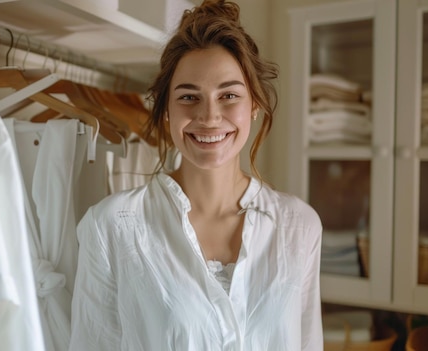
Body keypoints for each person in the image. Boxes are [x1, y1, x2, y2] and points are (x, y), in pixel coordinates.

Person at [69, 0, 324, 350]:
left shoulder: (299, 226)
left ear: (254, 105)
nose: (209, 116)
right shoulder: (111, 227)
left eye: (229, 95)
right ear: (166, 112)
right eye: (189, 96)